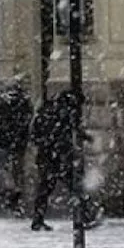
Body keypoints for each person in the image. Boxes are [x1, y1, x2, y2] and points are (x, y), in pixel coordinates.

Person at [30, 89, 84, 231]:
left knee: (47, 189)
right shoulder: (60, 115)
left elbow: (36, 135)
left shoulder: (47, 112)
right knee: (71, 186)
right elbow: (60, 135)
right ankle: (84, 215)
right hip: (55, 157)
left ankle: (38, 219)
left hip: (50, 156)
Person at [0, 79, 34, 213]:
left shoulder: (1, 102)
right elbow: (27, 119)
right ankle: (15, 192)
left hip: (5, 141)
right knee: (16, 168)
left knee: (6, 168)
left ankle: (11, 192)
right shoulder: (23, 102)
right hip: (17, 142)